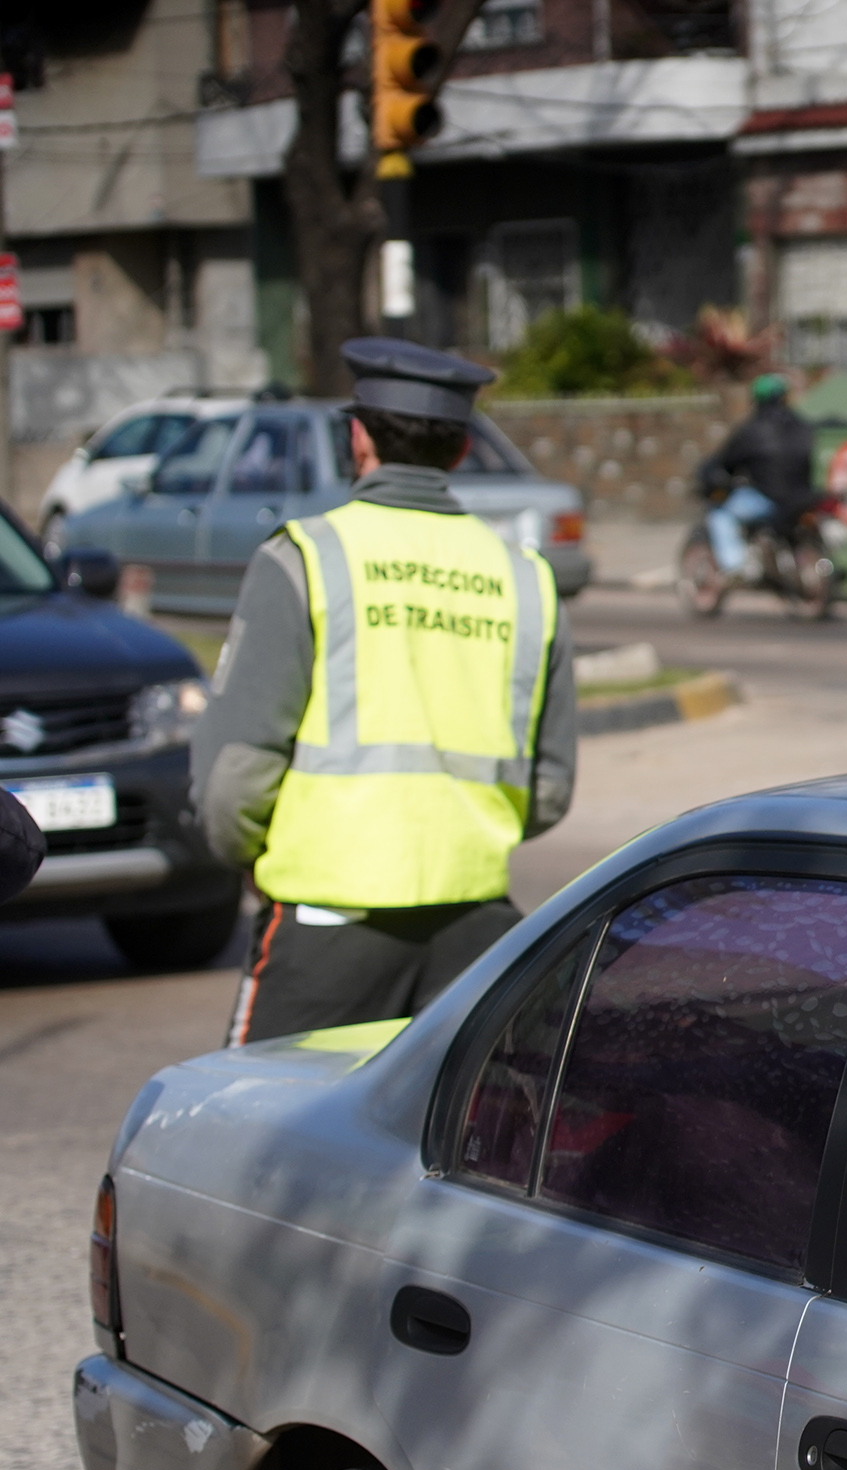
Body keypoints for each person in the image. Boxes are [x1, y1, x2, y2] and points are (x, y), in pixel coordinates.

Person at [193, 338, 577, 1045]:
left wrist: (247, 852)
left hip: (327, 922)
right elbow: (549, 788)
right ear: (461, 451)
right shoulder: (526, 578)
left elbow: (233, 778)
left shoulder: (306, 557)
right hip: (476, 927)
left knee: (261, 1132)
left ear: (358, 436)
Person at [698, 373, 816, 580]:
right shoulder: (801, 425)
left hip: (769, 499)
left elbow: (726, 461)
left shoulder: (752, 429)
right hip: (803, 495)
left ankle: (735, 565)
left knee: (720, 513)